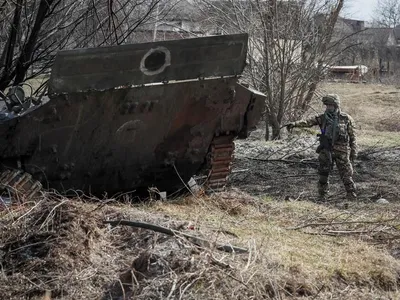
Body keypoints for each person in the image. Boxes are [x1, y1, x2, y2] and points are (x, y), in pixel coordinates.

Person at [286, 94, 357, 200]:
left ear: (336, 105)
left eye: (331, 105)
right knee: (323, 174)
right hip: (326, 150)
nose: (328, 108)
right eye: (327, 105)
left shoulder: (346, 119)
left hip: (342, 151)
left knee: (346, 174)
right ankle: (322, 195)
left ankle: (351, 195)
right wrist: (294, 124)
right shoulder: (322, 118)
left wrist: (354, 151)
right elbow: (308, 122)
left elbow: (353, 137)